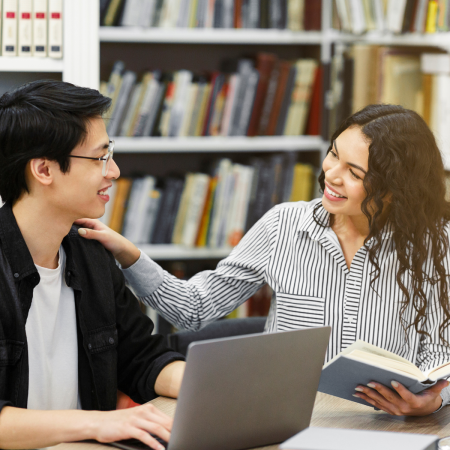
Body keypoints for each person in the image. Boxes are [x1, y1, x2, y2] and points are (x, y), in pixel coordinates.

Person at [77, 103, 450, 418]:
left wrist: (432, 401)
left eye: (354, 173)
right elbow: (193, 308)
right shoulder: (283, 226)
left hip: (388, 432)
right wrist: (128, 253)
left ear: (393, 191)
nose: (330, 176)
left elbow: (440, 354)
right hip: (287, 427)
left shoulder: (436, 245)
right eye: (334, 154)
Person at [0, 80, 186, 450]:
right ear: (44, 170)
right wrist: (99, 424)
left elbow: (140, 356)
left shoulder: (90, 253)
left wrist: (212, 386)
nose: (114, 171)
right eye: (100, 157)